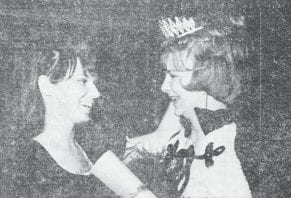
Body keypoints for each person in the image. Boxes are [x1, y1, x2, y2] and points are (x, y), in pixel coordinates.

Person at [4, 41, 156, 198]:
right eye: (82, 81)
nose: (96, 93)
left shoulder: (94, 150)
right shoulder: (25, 162)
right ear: (46, 85)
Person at [124, 14, 252, 198]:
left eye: (174, 75)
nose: (163, 86)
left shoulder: (230, 150)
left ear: (207, 77)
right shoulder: (182, 131)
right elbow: (156, 139)